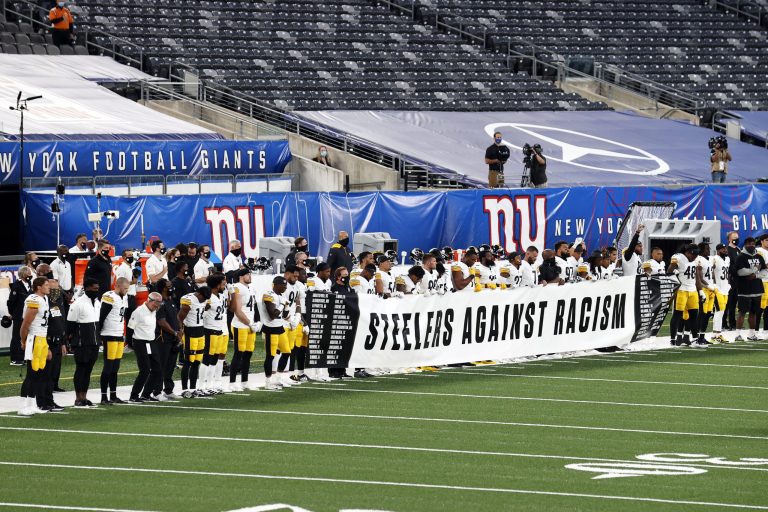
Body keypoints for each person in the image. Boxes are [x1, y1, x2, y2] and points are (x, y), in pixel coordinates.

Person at [17, 277, 51, 416]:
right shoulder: (34, 299)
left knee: (39, 373)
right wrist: (23, 340)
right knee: (31, 373)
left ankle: (32, 404)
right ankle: (22, 406)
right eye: (46, 285)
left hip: (42, 338)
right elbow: (25, 323)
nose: (49, 287)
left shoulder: (44, 299)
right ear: (38, 287)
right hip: (34, 338)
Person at [67, 278, 101, 407]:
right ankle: (78, 398)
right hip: (82, 342)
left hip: (94, 342)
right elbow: (70, 325)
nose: (96, 291)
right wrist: (70, 342)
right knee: (81, 369)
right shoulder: (78, 304)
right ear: (86, 288)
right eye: (94, 288)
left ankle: (84, 397)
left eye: (97, 288)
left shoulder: (97, 302)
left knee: (88, 370)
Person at [97, 277, 130, 405]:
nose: (126, 291)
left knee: (115, 367)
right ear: (117, 286)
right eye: (125, 288)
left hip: (119, 334)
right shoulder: (109, 296)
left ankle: (113, 395)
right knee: (108, 366)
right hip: (109, 334)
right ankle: (103, 397)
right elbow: (102, 316)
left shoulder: (124, 297)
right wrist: (99, 334)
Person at [127, 292, 162, 402]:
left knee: (157, 369)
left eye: (159, 304)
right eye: (156, 303)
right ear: (149, 300)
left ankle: (146, 394)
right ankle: (134, 395)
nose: (157, 306)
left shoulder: (153, 310)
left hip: (151, 342)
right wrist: (130, 344)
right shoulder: (138, 312)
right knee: (145, 370)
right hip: (140, 342)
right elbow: (130, 329)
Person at [229, 269, 260, 391]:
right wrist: (250, 323)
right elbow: (237, 311)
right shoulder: (237, 287)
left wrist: (256, 322)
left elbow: (253, 308)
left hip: (249, 325)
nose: (250, 276)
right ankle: (232, 382)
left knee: (248, 354)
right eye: (247, 274)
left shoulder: (250, 288)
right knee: (238, 353)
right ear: (241, 276)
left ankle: (244, 382)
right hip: (240, 325)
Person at [178, 285, 211, 398]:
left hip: (200, 332)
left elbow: (205, 307)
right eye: (204, 298)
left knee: (197, 362)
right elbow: (179, 318)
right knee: (188, 361)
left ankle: (193, 388)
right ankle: (184, 389)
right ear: (199, 294)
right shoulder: (189, 300)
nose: (205, 300)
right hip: (190, 333)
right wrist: (180, 331)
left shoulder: (204, 299)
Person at [667, 244, 703, 346]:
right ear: (687, 252)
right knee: (677, 315)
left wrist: (700, 291)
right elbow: (669, 272)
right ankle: (673, 340)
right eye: (693, 255)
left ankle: (695, 339)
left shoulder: (695, 260)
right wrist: (675, 275)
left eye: (696, 255)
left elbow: (696, 277)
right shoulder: (679, 258)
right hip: (681, 290)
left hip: (692, 290)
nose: (694, 257)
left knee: (694, 316)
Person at [258, 276, 290, 390]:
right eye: (283, 285)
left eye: (286, 285)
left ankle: (278, 378)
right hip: (270, 328)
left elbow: (284, 315)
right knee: (270, 356)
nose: (285, 287)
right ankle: (268, 382)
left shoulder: (281, 296)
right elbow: (272, 315)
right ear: (276, 285)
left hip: (280, 327)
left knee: (286, 352)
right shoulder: (268, 295)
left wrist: (286, 307)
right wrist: (282, 305)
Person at [154, 279, 181, 400]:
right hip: (163, 339)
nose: (172, 288)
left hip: (173, 338)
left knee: (171, 365)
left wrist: (180, 329)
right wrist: (174, 332)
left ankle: (168, 390)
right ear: (163, 288)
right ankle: (157, 391)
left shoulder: (171, 300)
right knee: (161, 365)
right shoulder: (160, 302)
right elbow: (161, 321)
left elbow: (176, 317)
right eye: (169, 286)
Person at [200, 274, 227, 394]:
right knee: (207, 359)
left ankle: (210, 385)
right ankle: (201, 386)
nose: (224, 286)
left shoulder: (219, 296)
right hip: (210, 330)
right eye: (223, 284)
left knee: (214, 359)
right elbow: (201, 311)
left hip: (219, 330)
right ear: (217, 285)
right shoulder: (209, 297)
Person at [734, 237, 765, 342]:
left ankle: (752, 334)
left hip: (757, 288)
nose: (751, 245)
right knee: (742, 312)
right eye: (749, 244)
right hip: (744, 289)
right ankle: (737, 334)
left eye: (753, 244)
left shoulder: (759, 256)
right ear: (745, 244)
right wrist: (755, 269)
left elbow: (765, 271)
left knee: (754, 312)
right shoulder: (741, 257)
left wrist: (756, 276)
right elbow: (740, 272)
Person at [7, 267, 33, 366]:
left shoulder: (30, 284)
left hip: (27, 315)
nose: (30, 275)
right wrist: (13, 314)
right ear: (22, 275)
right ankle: (15, 358)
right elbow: (11, 302)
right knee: (17, 336)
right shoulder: (16, 286)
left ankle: (23, 357)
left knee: (25, 336)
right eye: (28, 274)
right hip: (18, 316)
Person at [696, 243, 717, 346]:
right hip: (704, 289)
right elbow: (699, 278)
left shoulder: (709, 259)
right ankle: (696, 337)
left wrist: (714, 284)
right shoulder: (698, 259)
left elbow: (711, 275)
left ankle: (702, 337)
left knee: (708, 314)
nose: (708, 250)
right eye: (707, 249)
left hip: (710, 289)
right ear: (701, 250)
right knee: (702, 314)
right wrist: (709, 286)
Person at [710, 243, 731, 344]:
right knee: (718, 312)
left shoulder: (727, 259)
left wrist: (729, 284)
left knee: (722, 312)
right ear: (718, 250)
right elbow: (710, 271)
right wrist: (713, 284)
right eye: (723, 249)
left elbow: (727, 273)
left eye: (725, 248)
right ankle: (715, 335)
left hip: (725, 288)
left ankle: (718, 335)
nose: (725, 250)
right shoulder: (714, 258)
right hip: (718, 288)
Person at [725, 231, 740, 330]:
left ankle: (733, 323)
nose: (736, 239)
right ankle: (724, 323)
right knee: (728, 303)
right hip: (730, 279)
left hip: (738, 280)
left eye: (737, 237)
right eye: (734, 237)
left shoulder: (738, 249)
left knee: (734, 303)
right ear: (729, 239)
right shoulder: (727, 250)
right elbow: (728, 266)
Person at [756, 234, 768, 336]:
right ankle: (755, 330)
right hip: (762, 280)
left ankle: (766, 329)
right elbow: (760, 265)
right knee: (761, 306)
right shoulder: (759, 251)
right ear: (762, 241)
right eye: (767, 240)